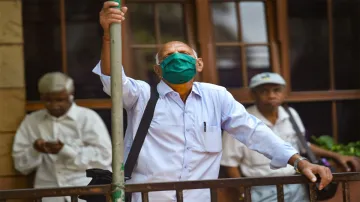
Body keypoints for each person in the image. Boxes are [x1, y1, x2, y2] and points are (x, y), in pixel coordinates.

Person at [93, 2, 333, 202]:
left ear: (199, 64)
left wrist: (299, 162)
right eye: (168, 56)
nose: (177, 57)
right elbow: (112, 78)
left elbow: (254, 131)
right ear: (158, 69)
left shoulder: (216, 96)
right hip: (148, 198)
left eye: (185, 54)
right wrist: (107, 34)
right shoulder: (142, 95)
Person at [221, 72, 360, 202]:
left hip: (295, 185)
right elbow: (230, 163)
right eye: (264, 91)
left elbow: (303, 144)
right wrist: (244, 194)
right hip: (261, 189)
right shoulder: (241, 122)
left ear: (284, 93)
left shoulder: (291, 115)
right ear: (253, 95)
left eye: (276, 90)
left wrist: (336, 155)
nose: (271, 95)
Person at [12, 72, 112, 202]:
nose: (54, 105)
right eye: (48, 100)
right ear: (42, 97)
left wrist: (65, 151)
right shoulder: (32, 122)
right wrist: (35, 150)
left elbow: (105, 157)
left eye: (59, 100)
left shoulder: (88, 118)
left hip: (86, 193)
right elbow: (20, 166)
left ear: (71, 97)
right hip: (50, 196)